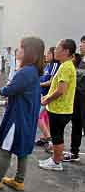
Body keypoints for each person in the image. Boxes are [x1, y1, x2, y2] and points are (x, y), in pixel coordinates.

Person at [0, 37, 44, 191]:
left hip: (17, 118)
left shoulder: (25, 72)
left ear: (29, 52)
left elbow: (8, 90)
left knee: (6, 148)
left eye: (21, 48)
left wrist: (5, 89)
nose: (19, 51)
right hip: (25, 116)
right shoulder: (33, 71)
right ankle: (19, 180)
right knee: (22, 149)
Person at [39, 39, 77, 171]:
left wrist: (47, 99)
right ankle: (56, 159)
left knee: (57, 137)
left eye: (57, 48)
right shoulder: (65, 65)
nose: (55, 51)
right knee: (57, 136)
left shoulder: (66, 67)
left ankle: (56, 162)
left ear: (66, 51)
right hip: (60, 109)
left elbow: (61, 90)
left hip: (60, 110)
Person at [63, 36, 85, 162]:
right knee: (76, 125)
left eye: (83, 43)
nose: (81, 46)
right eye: (81, 43)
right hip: (77, 99)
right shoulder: (79, 61)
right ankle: (74, 152)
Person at [36, 47, 60, 148]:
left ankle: (48, 138)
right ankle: (46, 138)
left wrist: (39, 84)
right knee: (45, 118)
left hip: (47, 96)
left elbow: (51, 81)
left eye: (49, 54)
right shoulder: (48, 65)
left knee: (37, 116)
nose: (46, 55)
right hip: (43, 95)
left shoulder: (54, 65)